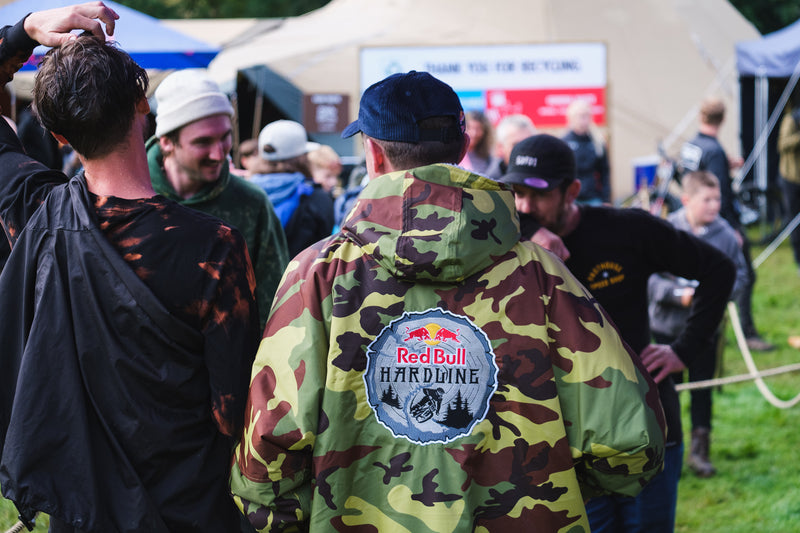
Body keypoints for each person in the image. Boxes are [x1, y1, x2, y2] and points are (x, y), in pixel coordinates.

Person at [230, 70, 666, 532]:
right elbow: (629, 442)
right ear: (461, 151)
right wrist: (549, 495)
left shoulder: (317, 276)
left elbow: (267, 450)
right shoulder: (542, 275)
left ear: (373, 154)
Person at [0, 4, 260, 531]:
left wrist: (23, 31)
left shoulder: (32, 214)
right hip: (190, 509)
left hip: (81, 508)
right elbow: (235, 413)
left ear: (59, 138)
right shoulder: (215, 247)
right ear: (144, 105)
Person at [502, 134, 736, 533]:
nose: (525, 205)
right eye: (517, 194)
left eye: (537, 196)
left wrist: (684, 349)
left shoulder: (627, 230)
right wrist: (525, 230)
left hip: (642, 427)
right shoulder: (508, 242)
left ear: (572, 191)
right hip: (563, 441)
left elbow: (719, 269)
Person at [147, 69, 288, 331]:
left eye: (225, 137)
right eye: (202, 142)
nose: (218, 154)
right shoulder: (128, 198)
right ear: (166, 142)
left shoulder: (251, 203)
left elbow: (274, 304)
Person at [648, 170, 748, 478]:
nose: (715, 205)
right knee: (665, 394)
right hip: (666, 327)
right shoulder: (665, 229)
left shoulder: (725, 235)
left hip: (705, 330)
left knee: (702, 390)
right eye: (708, 199)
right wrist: (679, 295)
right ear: (688, 199)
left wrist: (711, 295)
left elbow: (741, 276)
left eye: (718, 198)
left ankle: (699, 452)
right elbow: (649, 277)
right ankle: (665, 453)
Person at [681, 96, 774, 351]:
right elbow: (717, 195)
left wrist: (725, 164)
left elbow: (690, 178)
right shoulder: (714, 151)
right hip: (717, 223)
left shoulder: (691, 145)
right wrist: (733, 229)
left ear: (701, 116)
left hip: (692, 218)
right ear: (722, 119)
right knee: (743, 275)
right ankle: (747, 333)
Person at [248, 119, 335, 258]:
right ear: (302, 158)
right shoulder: (316, 197)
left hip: (251, 278)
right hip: (299, 278)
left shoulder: (244, 192)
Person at [562, 99, 610, 205]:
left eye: (586, 116)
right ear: (571, 118)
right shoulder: (564, 142)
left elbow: (604, 172)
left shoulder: (597, 142)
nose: (583, 120)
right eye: (579, 116)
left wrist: (606, 199)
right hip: (571, 199)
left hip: (593, 198)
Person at [777, 90, 800, 272]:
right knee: (795, 220)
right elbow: (782, 145)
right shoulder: (792, 119)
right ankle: (798, 258)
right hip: (791, 179)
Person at [485, 113, 536, 180]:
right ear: (500, 148)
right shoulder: (488, 184)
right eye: (516, 145)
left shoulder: (544, 177)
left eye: (528, 144)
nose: (524, 151)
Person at [459, 109, 498, 174]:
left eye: (478, 129)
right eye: (469, 127)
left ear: (485, 132)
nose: (473, 133)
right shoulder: (455, 153)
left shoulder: (488, 157)